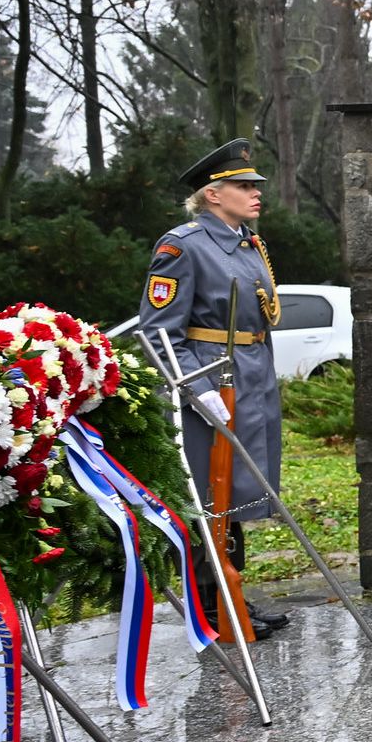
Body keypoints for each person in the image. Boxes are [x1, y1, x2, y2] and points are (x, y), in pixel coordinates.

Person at [139, 138, 290, 635]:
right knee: (209, 493)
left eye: (255, 185)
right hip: (211, 380)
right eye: (243, 186)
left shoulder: (247, 243)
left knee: (238, 490)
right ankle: (209, 604)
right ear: (211, 194)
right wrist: (195, 388)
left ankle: (234, 596)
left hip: (250, 375)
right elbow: (157, 329)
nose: (255, 193)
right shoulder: (182, 245)